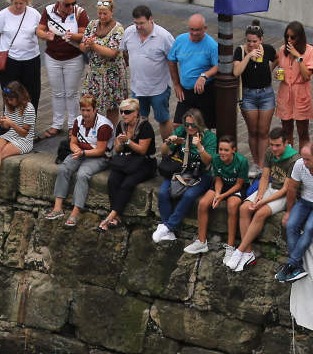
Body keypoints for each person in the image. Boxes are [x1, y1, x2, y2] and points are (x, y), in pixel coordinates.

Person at [230, 127, 297, 272]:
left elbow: (286, 190)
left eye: (278, 145)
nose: (274, 148)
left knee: (260, 213)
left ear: (286, 143)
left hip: (283, 195)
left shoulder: (294, 160)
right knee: (244, 208)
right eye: (271, 144)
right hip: (270, 188)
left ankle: (239, 250)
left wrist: (263, 202)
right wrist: (259, 195)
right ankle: (248, 253)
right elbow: (265, 177)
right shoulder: (269, 152)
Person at [275, 142, 313, 284]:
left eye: (307, 159)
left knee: (309, 228)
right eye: (303, 158)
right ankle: (297, 267)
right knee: (291, 224)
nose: (304, 162)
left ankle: (291, 264)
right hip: (304, 201)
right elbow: (292, 189)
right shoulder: (299, 164)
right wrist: (289, 211)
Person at [151, 107, 216, 244]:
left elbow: (208, 161)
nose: (190, 128)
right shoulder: (182, 131)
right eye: (187, 124)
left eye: (193, 125)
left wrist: (199, 147)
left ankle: (168, 226)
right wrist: (169, 141)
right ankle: (168, 231)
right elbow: (163, 152)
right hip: (182, 170)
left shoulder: (209, 137)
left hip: (202, 174)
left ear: (199, 124)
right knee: (163, 192)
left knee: (189, 195)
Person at [45, 93, 111, 226]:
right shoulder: (78, 121)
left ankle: (75, 211)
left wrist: (83, 152)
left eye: (88, 110)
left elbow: (100, 150)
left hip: (100, 157)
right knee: (64, 168)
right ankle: (58, 208)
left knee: (82, 174)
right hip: (81, 153)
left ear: (95, 110)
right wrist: (75, 150)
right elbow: (73, 142)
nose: (85, 114)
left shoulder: (104, 126)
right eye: (83, 110)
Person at [35, 0, 86, 137]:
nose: (71, 6)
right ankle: (57, 123)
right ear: (59, 3)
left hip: (73, 58)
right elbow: (39, 29)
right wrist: (46, 36)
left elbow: (84, 34)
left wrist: (71, 35)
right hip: (52, 57)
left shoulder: (80, 12)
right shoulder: (49, 10)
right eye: (67, 4)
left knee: (71, 92)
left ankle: (72, 124)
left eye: (73, 3)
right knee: (57, 92)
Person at [99, 97, 156, 231]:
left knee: (128, 183)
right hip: (127, 161)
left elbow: (142, 151)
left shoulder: (145, 126)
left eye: (127, 112)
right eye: (122, 112)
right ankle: (116, 217)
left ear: (136, 113)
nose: (123, 115)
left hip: (145, 162)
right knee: (112, 180)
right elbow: (118, 150)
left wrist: (128, 142)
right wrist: (119, 143)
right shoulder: (121, 125)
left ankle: (111, 216)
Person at [186, 134, 247, 255]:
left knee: (232, 205)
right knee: (203, 203)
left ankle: (230, 246)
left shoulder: (242, 161)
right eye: (220, 149)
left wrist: (222, 197)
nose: (222, 153)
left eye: (226, 150)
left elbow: (239, 185)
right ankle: (201, 242)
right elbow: (218, 179)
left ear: (233, 150)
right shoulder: (216, 159)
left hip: (236, 186)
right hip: (222, 184)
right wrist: (218, 194)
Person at [121, 4, 174, 140]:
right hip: (137, 89)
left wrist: (177, 84)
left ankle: (168, 151)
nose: (138, 27)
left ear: (151, 19)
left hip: (159, 89)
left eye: (142, 23)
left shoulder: (164, 36)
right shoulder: (129, 32)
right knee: (137, 120)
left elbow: (172, 60)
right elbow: (124, 51)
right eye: (136, 23)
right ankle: (140, 150)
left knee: (163, 119)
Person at [233, 21, 276, 167]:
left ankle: (263, 164)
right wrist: (248, 56)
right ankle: (256, 162)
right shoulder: (240, 51)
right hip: (248, 95)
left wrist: (271, 69)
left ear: (261, 40)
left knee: (263, 131)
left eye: (255, 41)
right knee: (253, 131)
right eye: (249, 41)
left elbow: (276, 58)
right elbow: (236, 72)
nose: (251, 44)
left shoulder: (268, 49)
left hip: (266, 94)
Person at [0, 0, 38, 114]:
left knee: (31, 91)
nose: (18, 6)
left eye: (21, 3)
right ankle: (10, 120)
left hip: (31, 59)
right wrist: (4, 45)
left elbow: (40, 31)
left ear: (27, 1)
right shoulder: (2, 15)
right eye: (15, 3)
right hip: (10, 60)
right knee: (10, 91)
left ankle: (28, 121)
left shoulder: (34, 14)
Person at [78, 0, 127, 119]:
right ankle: (95, 131)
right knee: (92, 103)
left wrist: (93, 45)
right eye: (99, 13)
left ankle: (110, 133)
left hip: (112, 75)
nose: (102, 17)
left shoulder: (118, 29)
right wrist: (87, 45)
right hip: (95, 74)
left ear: (111, 12)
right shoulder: (92, 25)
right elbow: (82, 47)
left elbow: (112, 52)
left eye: (105, 13)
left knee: (112, 107)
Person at [168, 12, 219, 129]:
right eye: (192, 29)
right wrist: (176, 84)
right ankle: (182, 147)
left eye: (198, 30)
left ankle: (202, 147)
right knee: (178, 125)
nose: (194, 33)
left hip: (205, 91)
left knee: (204, 126)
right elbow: (171, 60)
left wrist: (204, 75)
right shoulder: (180, 40)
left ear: (205, 28)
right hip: (186, 90)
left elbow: (218, 66)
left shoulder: (211, 45)